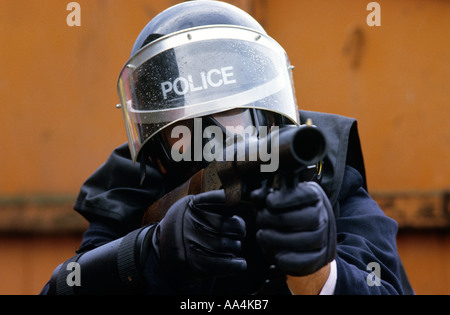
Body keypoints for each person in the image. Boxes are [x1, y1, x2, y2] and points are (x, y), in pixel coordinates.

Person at [41, 0, 413, 295]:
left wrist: (318, 273)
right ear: (156, 143)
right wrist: (151, 253)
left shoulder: (326, 169)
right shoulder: (130, 189)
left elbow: (385, 286)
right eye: (188, 122)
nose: (215, 135)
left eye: (229, 110)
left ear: (267, 114)